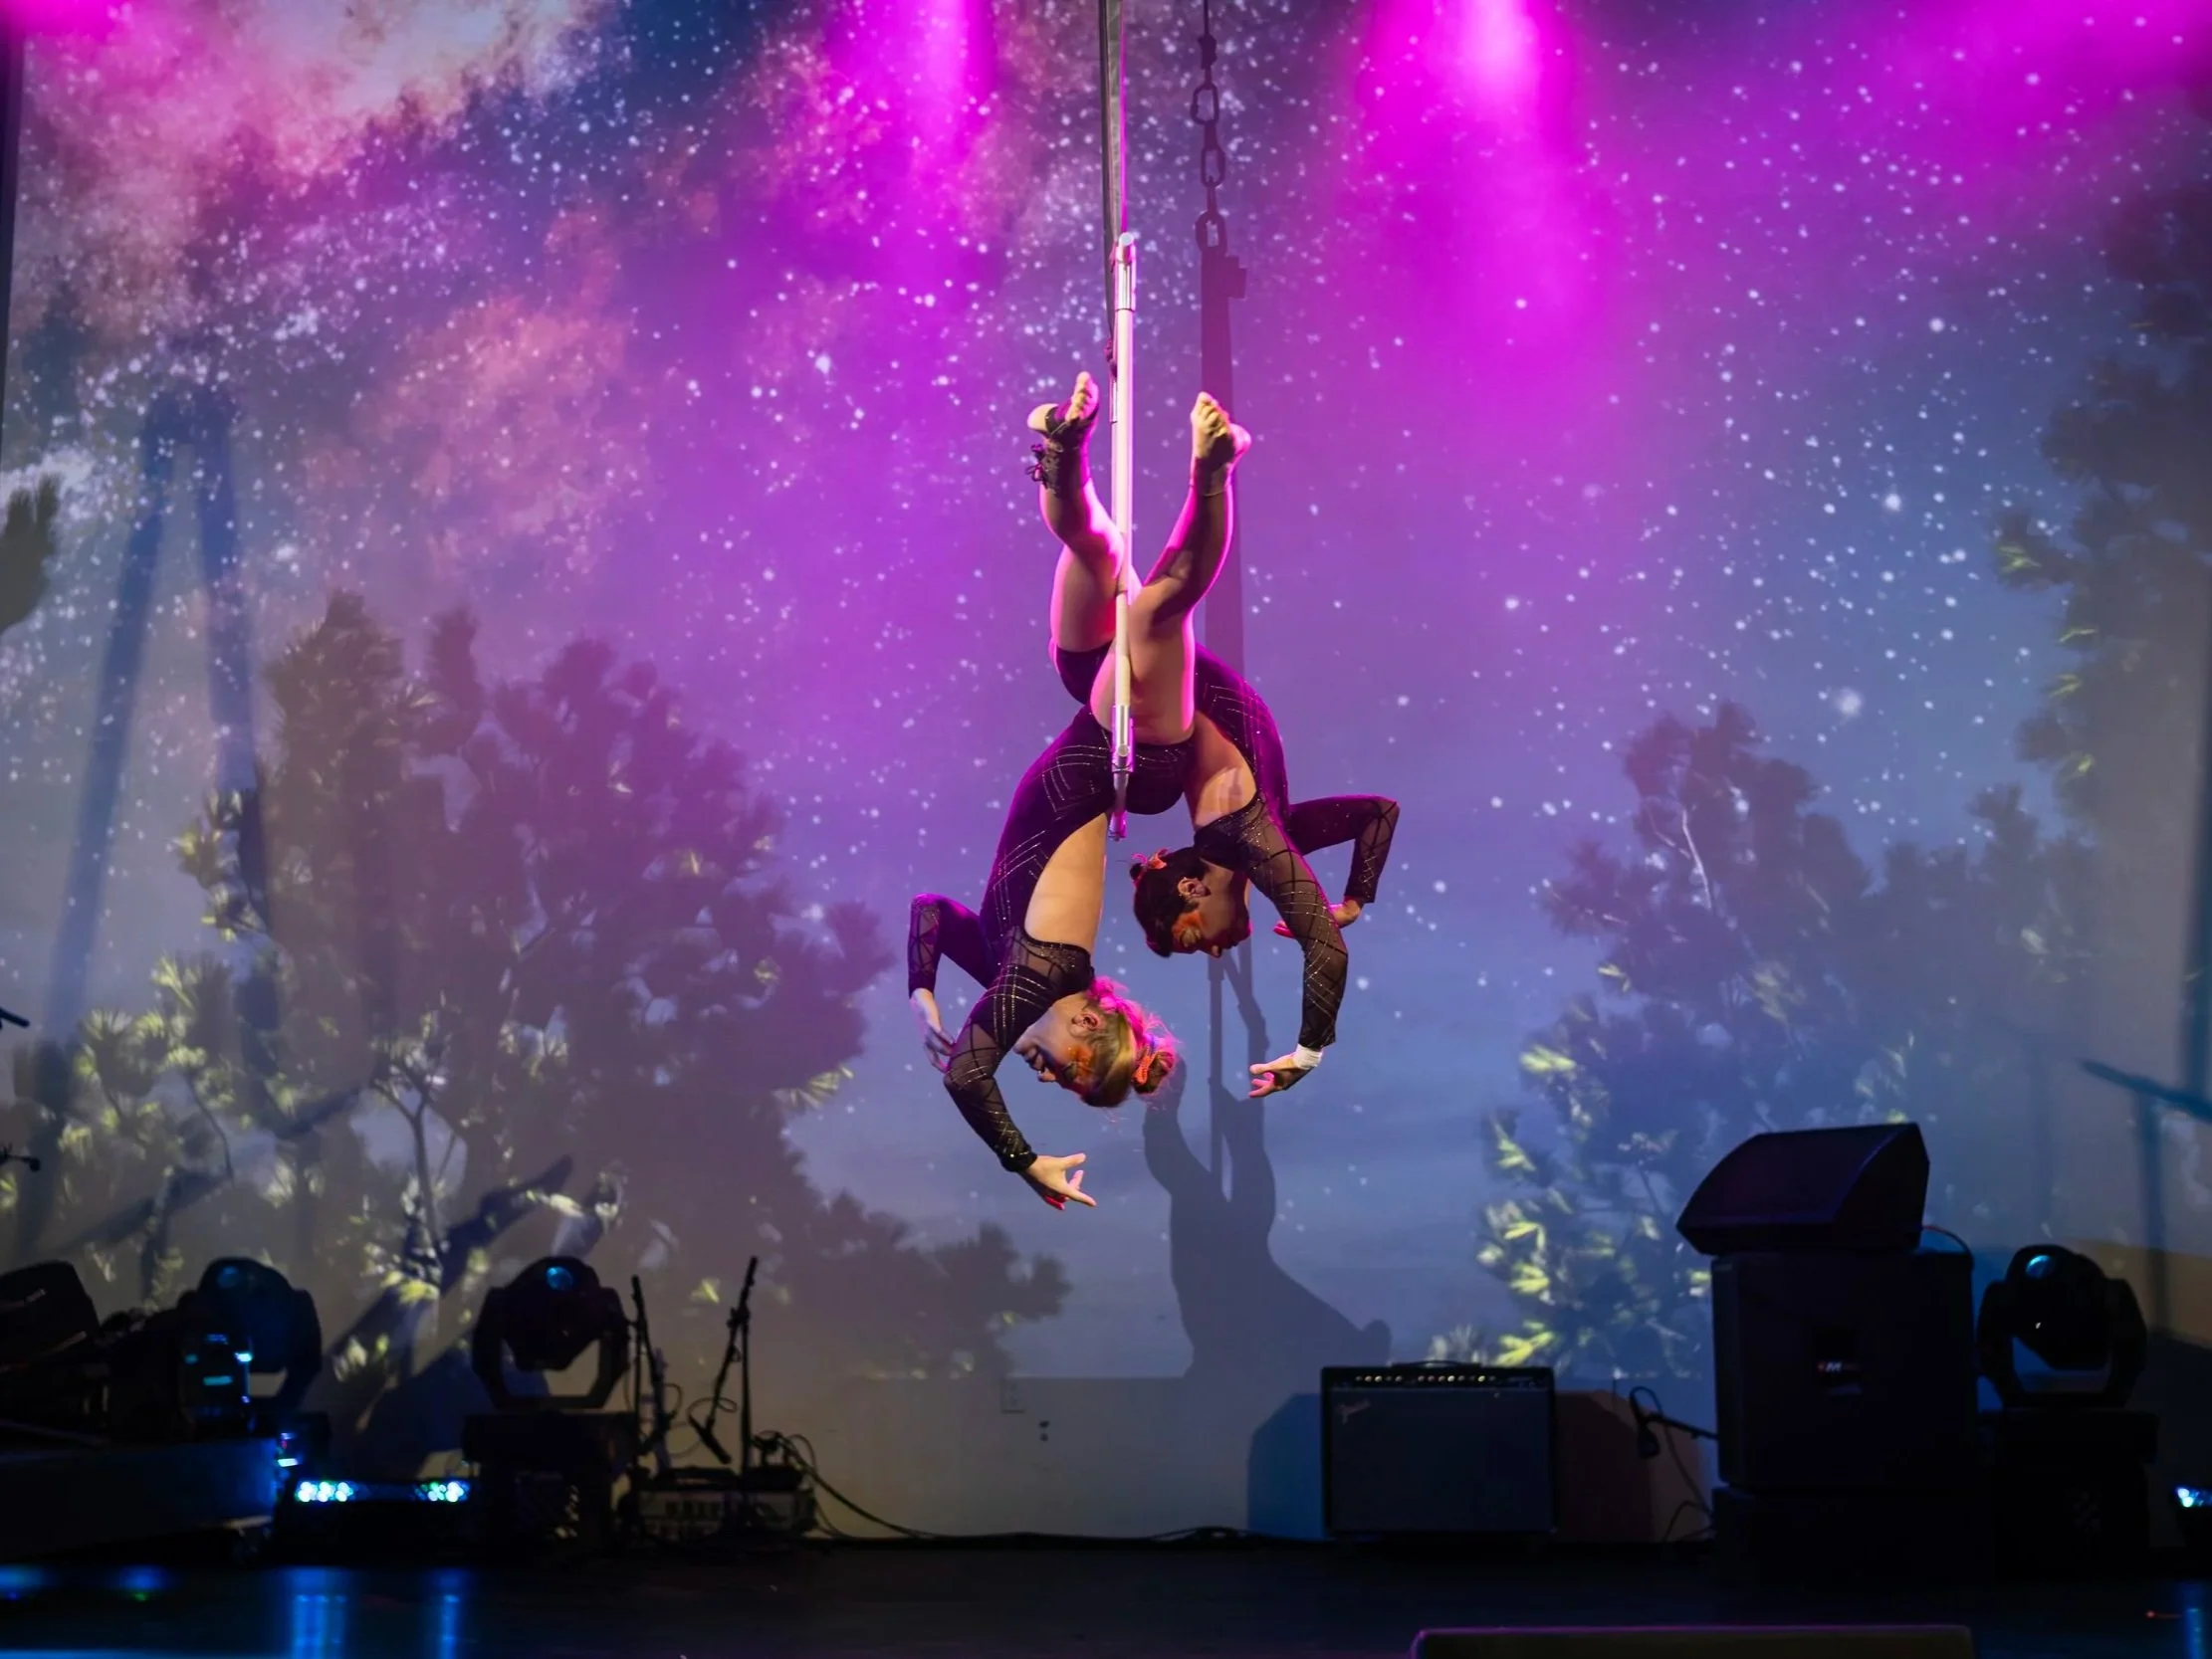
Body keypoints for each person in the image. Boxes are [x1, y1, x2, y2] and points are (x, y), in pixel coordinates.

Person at [908, 380, 1249, 1210]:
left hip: (1087, 709)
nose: (1044, 1073)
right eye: (1066, 1072)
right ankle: (1212, 471)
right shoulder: (1048, 973)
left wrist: (925, 996)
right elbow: (967, 1074)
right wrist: (1024, 1161)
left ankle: (1065, 449)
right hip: (1135, 749)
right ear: (1089, 1023)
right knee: (1160, 608)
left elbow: (930, 912)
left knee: (1095, 552)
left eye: (1055, 1085)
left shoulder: (1002, 970)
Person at [1032, 376, 1400, 1098]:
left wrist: (1308, 1051)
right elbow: (1377, 813)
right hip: (1094, 676)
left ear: (1195, 888)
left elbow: (1324, 952)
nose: (1219, 948)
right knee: (1101, 550)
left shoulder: (1246, 839)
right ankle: (1069, 453)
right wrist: (1357, 895)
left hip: (1136, 697)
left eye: (1194, 935)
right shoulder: (1278, 832)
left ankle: (1206, 473)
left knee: (1150, 587)